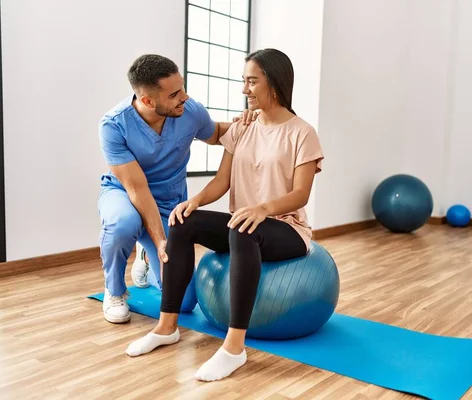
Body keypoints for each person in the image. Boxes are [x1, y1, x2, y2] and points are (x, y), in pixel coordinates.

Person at [125, 48, 325, 382]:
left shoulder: (302, 133)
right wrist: (196, 201)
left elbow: (300, 194)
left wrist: (261, 209)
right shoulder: (244, 127)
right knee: (184, 221)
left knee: (244, 228)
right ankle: (166, 327)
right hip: (243, 224)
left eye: (251, 81)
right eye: (243, 81)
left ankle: (234, 348)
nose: (245, 89)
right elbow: (222, 181)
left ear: (274, 84)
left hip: (286, 229)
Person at [98, 54, 254, 324]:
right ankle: (114, 291)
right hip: (125, 195)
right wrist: (159, 239)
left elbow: (216, 134)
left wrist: (252, 124)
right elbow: (137, 189)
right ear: (148, 101)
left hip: (169, 203)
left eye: (182, 88)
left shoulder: (190, 110)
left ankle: (145, 254)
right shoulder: (114, 125)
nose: (184, 96)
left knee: (183, 302)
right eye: (174, 94)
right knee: (123, 222)